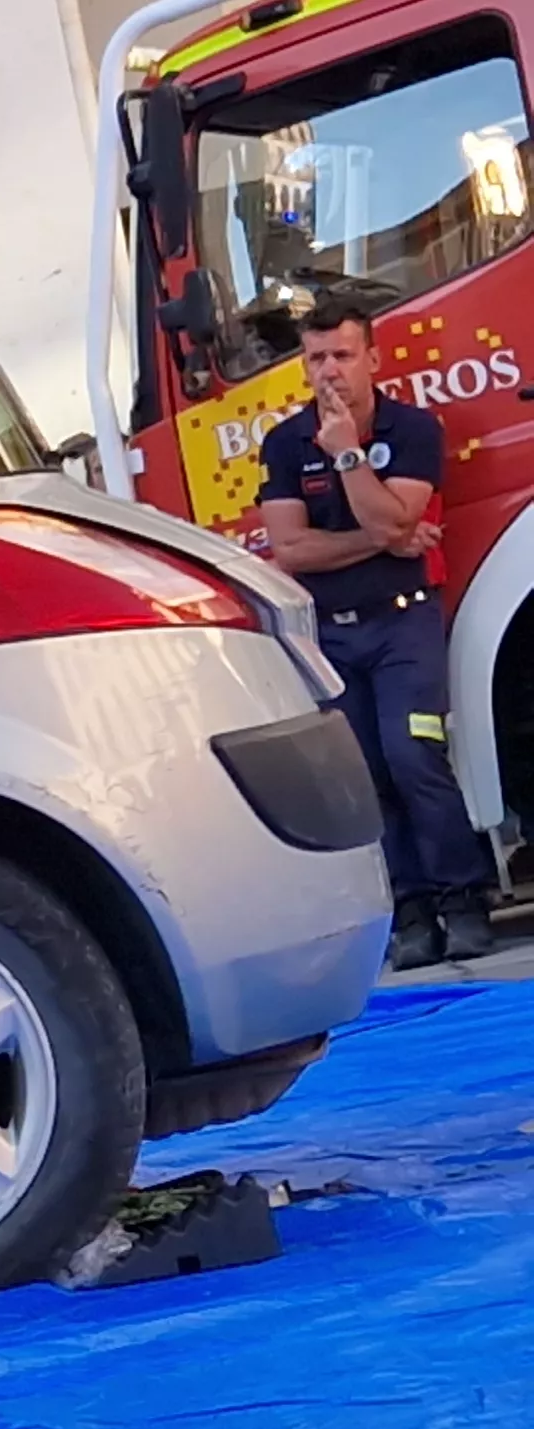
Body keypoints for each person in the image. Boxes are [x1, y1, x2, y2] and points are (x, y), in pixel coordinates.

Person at [261, 294, 495, 969]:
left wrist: (347, 458)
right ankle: (412, 911)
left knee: (415, 755)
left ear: (372, 358)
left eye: (341, 354)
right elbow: (293, 551)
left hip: (406, 622)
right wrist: (386, 536)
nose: (329, 371)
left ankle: (463, 900)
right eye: (315, 358)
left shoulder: (413, 429)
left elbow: (400, 526)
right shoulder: (284, 443)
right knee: (364, 776)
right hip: (332, 638)